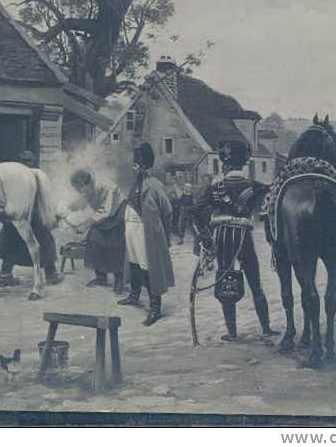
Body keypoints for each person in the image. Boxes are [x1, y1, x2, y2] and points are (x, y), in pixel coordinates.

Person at [192, 140, 278, 341]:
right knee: (255, 283)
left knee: (225, 281)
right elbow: (270, 203)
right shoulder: (255, 187)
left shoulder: (215, 188)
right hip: (244, 238)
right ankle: (266, 329)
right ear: (243, 164)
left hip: (223, 238)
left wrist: (205, 236)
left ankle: (232, 333)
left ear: (225, 165)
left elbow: (196, 212)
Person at [116, 143, 175, 326]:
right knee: (134, 263)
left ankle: (155, 309)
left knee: (148, 267)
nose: (133, 169)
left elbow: (167, 211)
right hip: (132, 230)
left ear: (142, 166)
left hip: (146, 232)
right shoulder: (136, 185)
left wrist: (165, 234)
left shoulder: (154, 185)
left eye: (135, 165)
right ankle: (134, 296)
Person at [0, 150, 61, 287]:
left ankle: (5, 275)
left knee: (14, 241)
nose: (27, 164)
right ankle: (50, 275)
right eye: (25, 162)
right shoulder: (32, 176)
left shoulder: (18, 177)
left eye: (28, 161)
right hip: (27, 217)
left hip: (21, 217)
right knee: (40, 241)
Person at [65, 169, 127, 293]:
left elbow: (106, 211)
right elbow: (88, 202)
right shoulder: (88, 185)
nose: (79, 192)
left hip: (117, 212)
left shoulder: (109, 187)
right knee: (94, 239)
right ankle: (101, 277)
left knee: (115, 246)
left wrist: (85, 224)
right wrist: (70, 208)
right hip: (103, 213)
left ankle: (119, 280)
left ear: (88, 184)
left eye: (80, 189)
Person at [164, 170, 184, 244]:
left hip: (176, 207)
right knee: (168, 223)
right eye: (171, 178)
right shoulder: (166, 187)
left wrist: (175, 187)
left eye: (174, 179)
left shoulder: (179, 186)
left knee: (175, 223)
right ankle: (168, 240)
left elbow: (180, 196)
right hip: (168, 206)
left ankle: (179, 238)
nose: (172, 180)